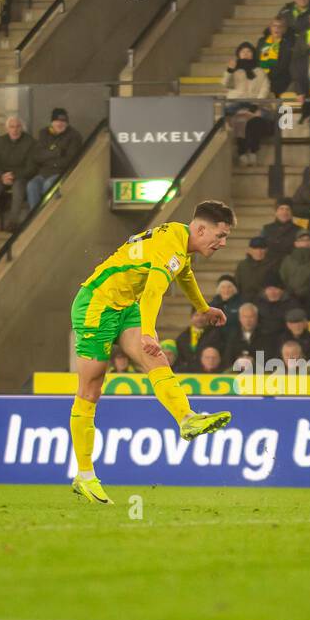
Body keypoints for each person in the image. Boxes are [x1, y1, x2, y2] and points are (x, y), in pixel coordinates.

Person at [68, 203, 236, 505]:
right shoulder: (171, 244)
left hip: (124, 305)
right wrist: (148, 331)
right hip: (96, 304)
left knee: (157, 361)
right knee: (91, 388)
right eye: (220, 235)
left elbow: (184, 275)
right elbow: (153, 291)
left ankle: (187, 419)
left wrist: (202, 308)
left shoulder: (179, 241)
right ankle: (84, 474)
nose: (222, 243)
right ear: (200, 229)